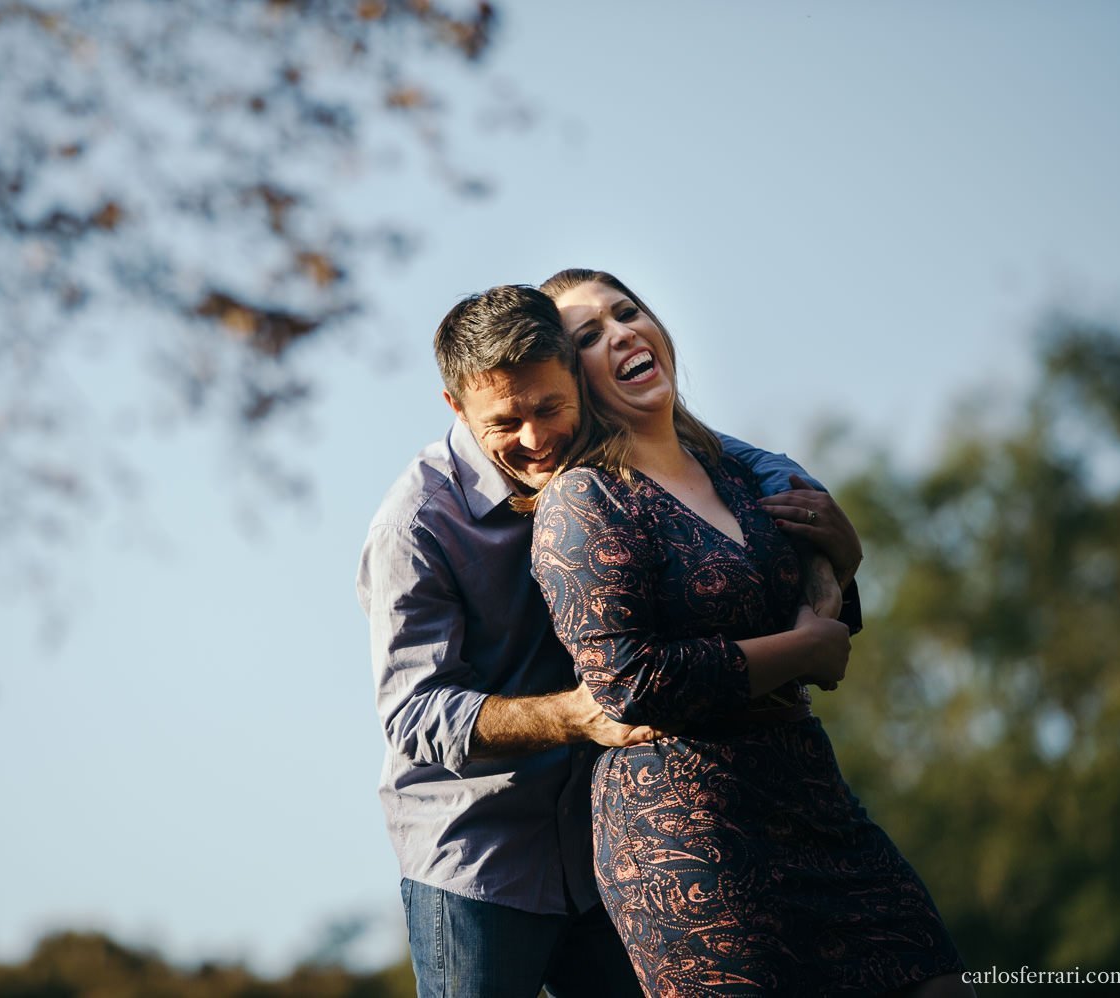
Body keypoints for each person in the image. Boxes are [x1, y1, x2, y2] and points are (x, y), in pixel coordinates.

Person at [356, 284, 863, 998]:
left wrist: (834, 548)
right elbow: (415, 715)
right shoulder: (415, 527)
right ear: (456, 408)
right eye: (505, 421)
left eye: (549, 408)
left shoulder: (608, 461)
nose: (534, 440)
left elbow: (737, 459)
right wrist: (576, 714)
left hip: (605, 850)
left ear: (573, 381)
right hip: (479, 856)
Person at [529, 268, 970, 996]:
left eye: (626, 311)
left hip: (811, 793)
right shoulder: (583, 500)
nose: (621, 334)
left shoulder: (736, 472)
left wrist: (840, 568)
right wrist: (805, 649)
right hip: (690, 838)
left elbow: (807, 599)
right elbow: (629, 680)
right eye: (589, 337)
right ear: (570, 381)